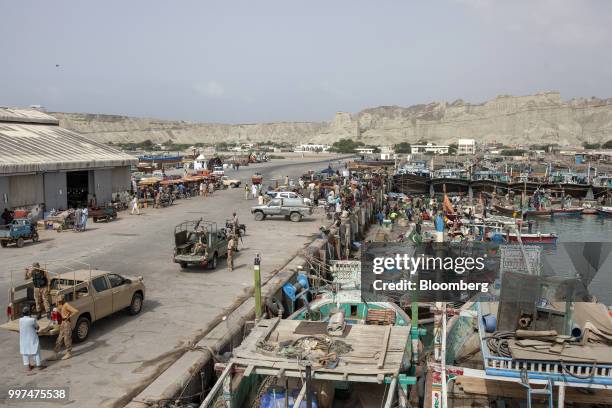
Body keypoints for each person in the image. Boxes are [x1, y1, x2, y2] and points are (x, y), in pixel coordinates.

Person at [19, 306, 46, 371]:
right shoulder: (32, 320)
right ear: (29, 313)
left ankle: (27, 367)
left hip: (23, 339)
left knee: (25, 352)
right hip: (32, 338)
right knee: (36, 351)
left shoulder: (20, 320)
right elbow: (37, 327)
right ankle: (39, 365)